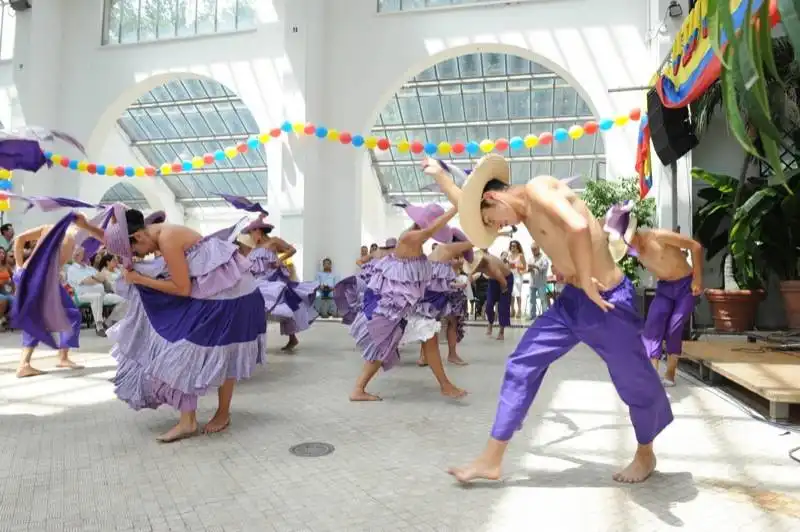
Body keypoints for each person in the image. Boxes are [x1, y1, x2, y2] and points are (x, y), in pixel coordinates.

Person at [423, 154, 672, 484]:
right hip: (572, 303)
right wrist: (442, 177)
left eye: (493, 220)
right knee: (521, 363)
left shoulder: (538, 189)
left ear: (493, 196)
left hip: (607, 301)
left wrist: (583, 276)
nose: (499, 227)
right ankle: (491, 459)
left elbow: (579, 226)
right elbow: (470, 205)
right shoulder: (520, 213)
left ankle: (645, 454)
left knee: (634, 380)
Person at [103, 204, 267, 442]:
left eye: (136, 251)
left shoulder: (167, 239)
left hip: (235, 296)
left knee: (188, 350)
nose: (141, 256)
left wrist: (139, 278)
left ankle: (211, 416)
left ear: (138, 236)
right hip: (223, 293)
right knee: (200, 350)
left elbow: (182, 288)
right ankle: (192, 419)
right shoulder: (154, 233)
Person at [349, 203, 466, 401]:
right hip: (390, 307)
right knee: (382, 347)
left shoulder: (417, 244)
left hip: (404, 308)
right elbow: (431, 230)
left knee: (428, 336)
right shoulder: (409, 238)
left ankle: (445, 385)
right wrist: (456, 208)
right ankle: (358, 390)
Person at [604, 202, 703, 387]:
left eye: (628, 244)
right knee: (652, 325)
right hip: (665, 288)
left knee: (674, 327)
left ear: (633, 235)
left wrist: (698, 279)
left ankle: (671, 371)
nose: (629, 250)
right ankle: (651, 375)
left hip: (685, 286)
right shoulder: (636, 252)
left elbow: (695, 246)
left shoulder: (659, 237)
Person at [12, 213, 94, 378]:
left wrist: (19, 267)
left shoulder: (55, 231)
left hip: (36, 277)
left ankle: (62, 357)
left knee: (71, 314)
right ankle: (24, 364)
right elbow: (20, 240)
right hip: (36, 278)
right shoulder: (63, 235)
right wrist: (19, 266)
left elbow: (20, 240)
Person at [240, 214, 318, 352]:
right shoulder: (253, 249)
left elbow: (292, 250)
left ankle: (288, 337)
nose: (250, 235)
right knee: (258, 306)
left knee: (280, 305)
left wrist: (280, 260)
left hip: (273, 279)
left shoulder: (274, 241)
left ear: (258, 230)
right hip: (258, 280)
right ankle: (261, 340)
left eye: (251, 232)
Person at [415, 230, 474, 368]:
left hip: (434, 292)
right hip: (434, 293)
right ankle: (434, 355)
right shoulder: (445, 251)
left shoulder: (441, 252)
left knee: (445, 321)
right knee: (434, 322)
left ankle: (427, 356)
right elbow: (438, 281)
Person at [65, 247, 127, 336]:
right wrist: (95, 278)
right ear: (76, 256)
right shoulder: (72, 269)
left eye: (84, 254)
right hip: (81, 295)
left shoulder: (89, 268)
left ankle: (108, 322)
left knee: (123, 300)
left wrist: (93, 278)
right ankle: (99, 327)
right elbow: (86, 281)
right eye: (82, 254)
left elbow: (102, 277)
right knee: (96, 296)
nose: (85, 256)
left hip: (102, 294)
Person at [335, 238, 396, 326]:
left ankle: (375, 320)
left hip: (384, 281)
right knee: (371, 299)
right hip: (374, 279)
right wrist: (365, 266)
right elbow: (359, 261)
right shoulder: (380, 254)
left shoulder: (393, 255)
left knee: (379, 300)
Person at [468, 249, 513, 340]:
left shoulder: (492, 266)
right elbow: (470, 273)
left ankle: (501, 331)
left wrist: (504, 292)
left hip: (505, 279)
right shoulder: (478, 262)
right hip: (493, 280)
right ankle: (490, 322)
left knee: (502, 307)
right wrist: (469, 279)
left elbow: (503, 283)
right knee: (488, 305)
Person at [528, 243, 551, 318]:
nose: (533, 251)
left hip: (541, 282)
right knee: (532, 300)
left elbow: (544, 269)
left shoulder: (544, 258)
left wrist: (536, 266)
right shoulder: (530, 258)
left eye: (534, 249)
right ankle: (532, 315)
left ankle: (545, 315)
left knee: (543, 299)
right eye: (532, 249)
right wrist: (530, 269)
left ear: (539, 248)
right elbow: (527, 269)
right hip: (532, 282)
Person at [507, 240, 527, 318]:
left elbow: (525, 267)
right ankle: (512, 310)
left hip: (518, 276)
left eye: (514, 246)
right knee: (511, 294)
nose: (513, 247)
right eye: (511, 246)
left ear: (517, 246)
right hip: (510, 275)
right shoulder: (509, 256)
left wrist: (516, 266)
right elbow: (507, 266)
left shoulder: (520, 255)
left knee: (518, 293)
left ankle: (519, 310)